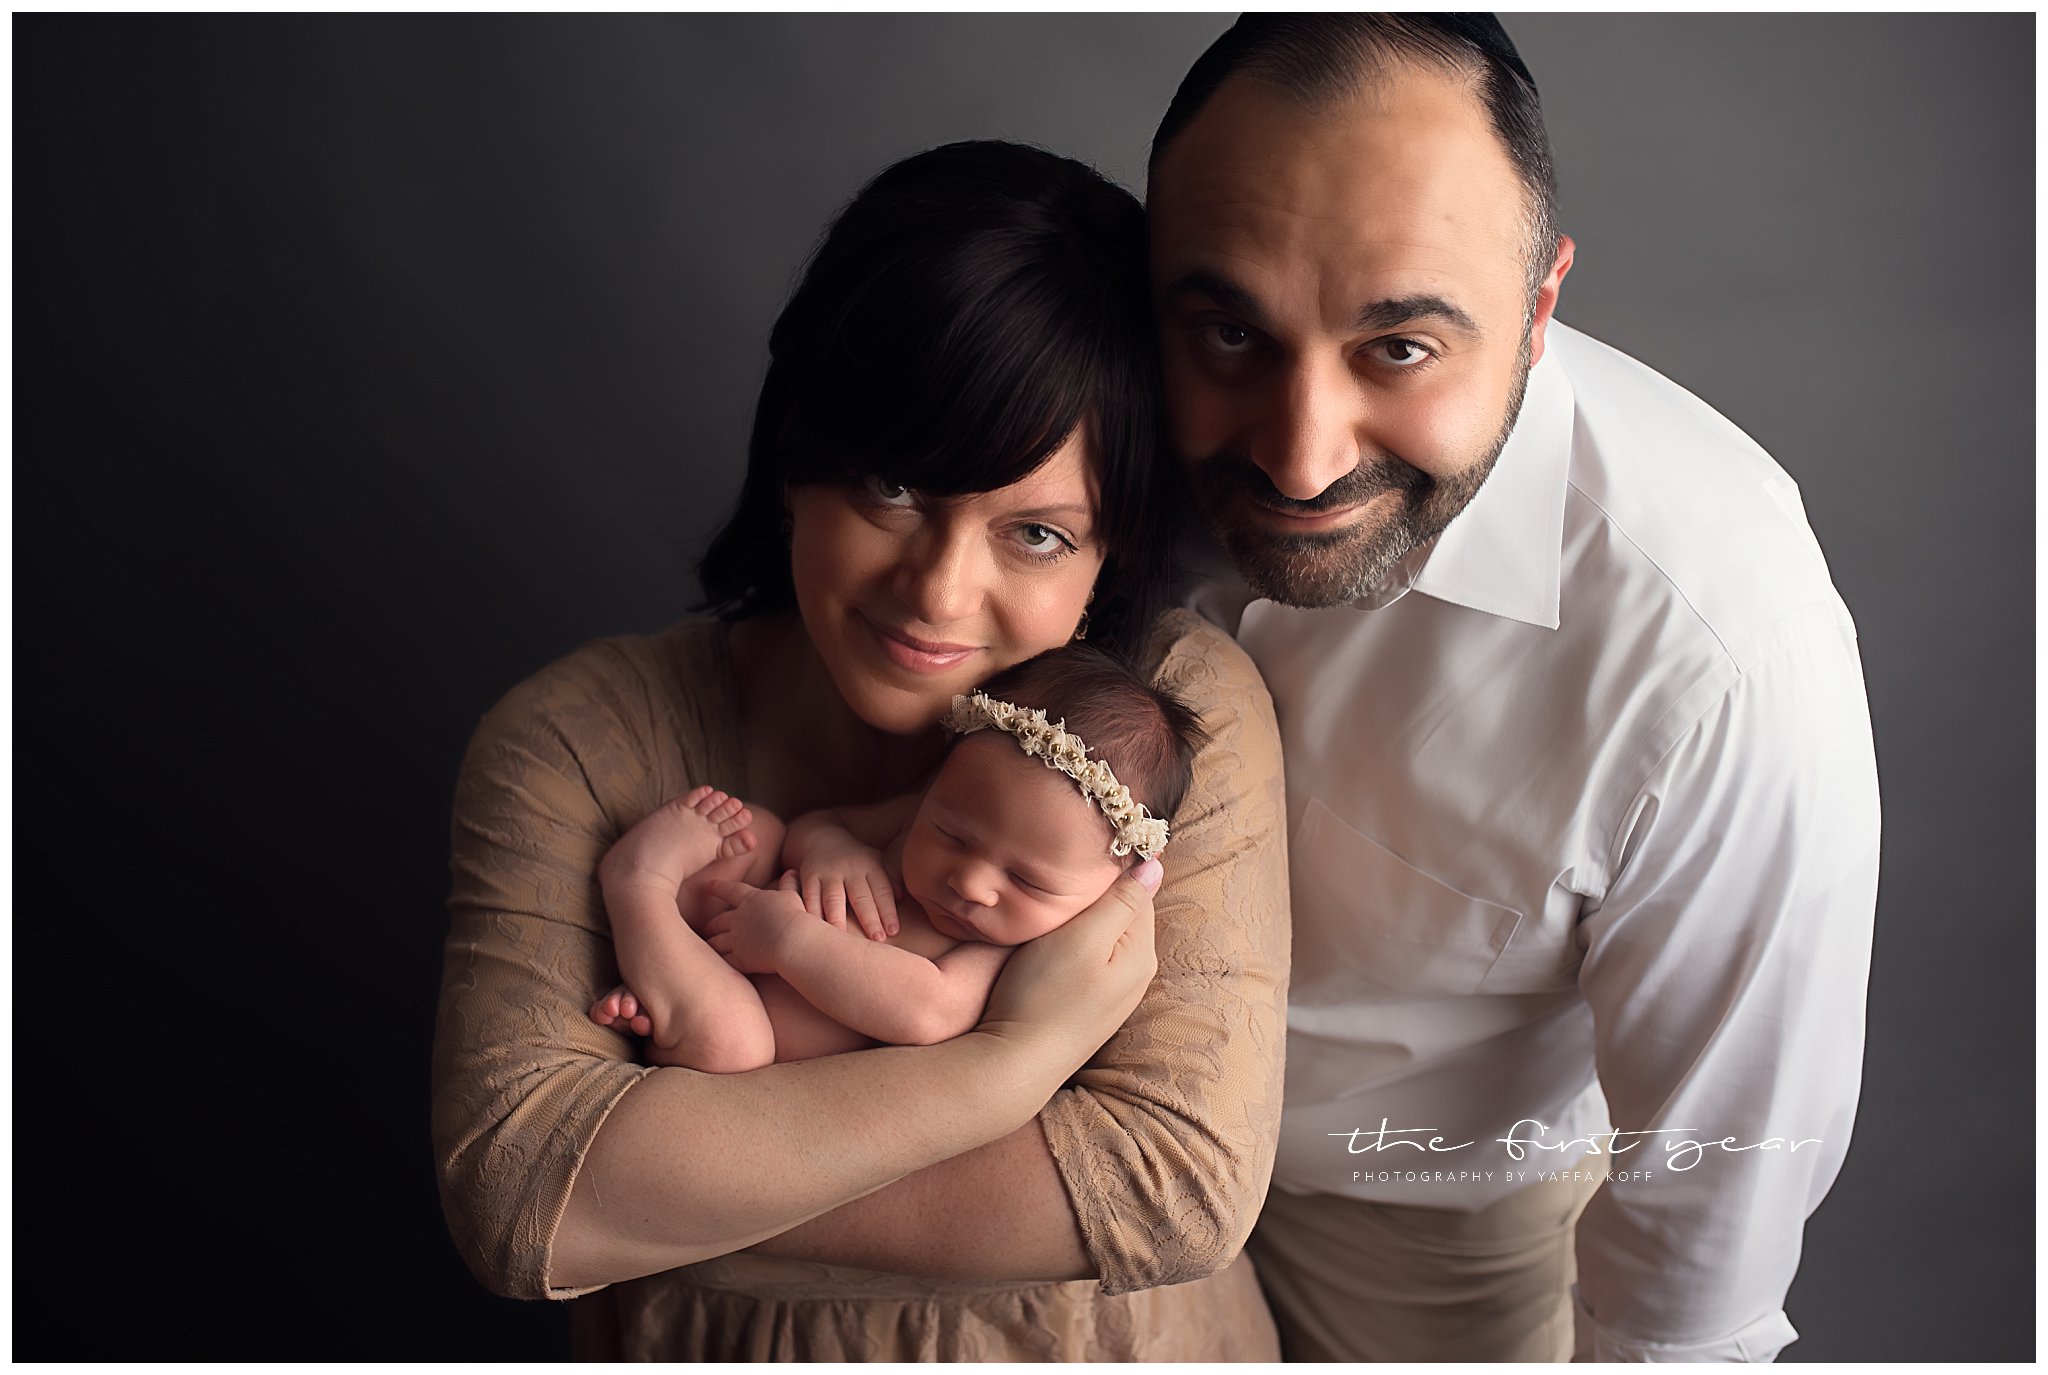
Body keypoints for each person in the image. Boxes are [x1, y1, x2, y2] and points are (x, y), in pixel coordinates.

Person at [431, 138, 1289, 1361]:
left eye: (1038, 534)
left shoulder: (1164, 727)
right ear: (798, 455)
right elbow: (521, 1195)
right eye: (893, 487)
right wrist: (1010, 1068)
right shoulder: (576, 739)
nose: (938, 592)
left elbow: (1173, 1189)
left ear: (1114, 550)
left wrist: (656, 1180)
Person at [1145, 14, 1880, 1363]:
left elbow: (1702, 1250)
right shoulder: (1100, 387)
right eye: (1235, 336)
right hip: (1065, 1119)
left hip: (1416, 1245)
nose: (1301, 461)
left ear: (1539, 310)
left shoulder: (1719, 651)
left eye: (1400, 347)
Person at [586, 645, 1205, 1073]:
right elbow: (819, 825)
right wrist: (835, 848)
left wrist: (789, 941)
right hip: (738, 927)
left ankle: (639, 888)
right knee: (763, 832)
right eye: (953, 834)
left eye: (1026, 881)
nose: (970, 881)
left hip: (758, 1019)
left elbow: (924, 1010)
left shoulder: (1008, 951)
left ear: (1108, 886)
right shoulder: (917, 818)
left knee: (731, 1045)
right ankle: (665, 966)